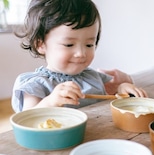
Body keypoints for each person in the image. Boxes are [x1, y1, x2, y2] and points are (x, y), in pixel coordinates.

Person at [12, 0, 147, 113]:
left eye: (89, 44)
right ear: (40, 44)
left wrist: (122, 88)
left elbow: (112, 95)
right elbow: (27, 119)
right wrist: (50, 102)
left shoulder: (93, 77)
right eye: (69, 44)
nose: (81, 53)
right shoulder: (35, 85)